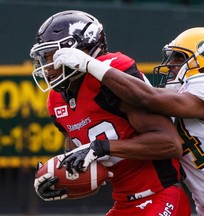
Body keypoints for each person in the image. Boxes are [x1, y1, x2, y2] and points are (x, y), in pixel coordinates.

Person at [54, 27, 204, 215]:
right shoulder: (178, 97)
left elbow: (147, 97)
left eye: (179, 57)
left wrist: (89, 64)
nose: (171, 64)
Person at [30, 10, 191, 216]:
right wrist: (57, 183)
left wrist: (101, 147)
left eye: (53, 56)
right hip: (123, 204)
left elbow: (170, 144)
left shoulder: (111, 74)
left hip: (161, 195)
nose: (48, 67)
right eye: (44, 58)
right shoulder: (56, 100)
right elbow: (93, 177)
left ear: (83, 50)